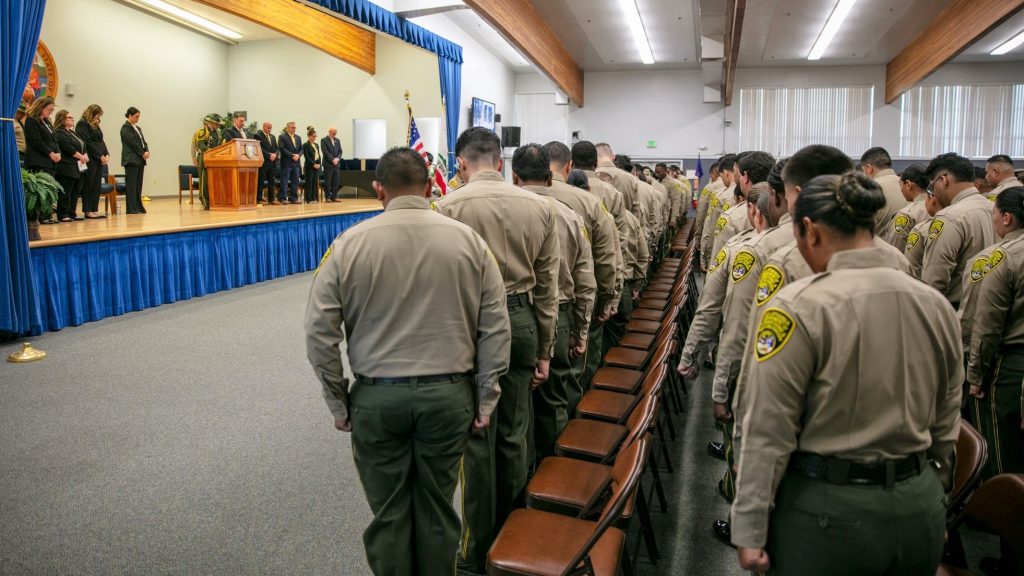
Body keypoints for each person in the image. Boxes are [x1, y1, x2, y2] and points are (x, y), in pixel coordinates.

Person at [732, 171, 962, 576]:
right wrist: (933, 497)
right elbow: (947, 418)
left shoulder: (798, 306)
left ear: (809, 230)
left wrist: (749, 526)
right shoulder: (935, 304)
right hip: (917, 503)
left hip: (829, 515)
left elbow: (768, 426)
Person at [305, 146, 511, 576]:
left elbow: (319, 333)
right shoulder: (470, 242)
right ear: (431, 185)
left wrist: (338, 401)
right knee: (437, 508)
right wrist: (487, 397)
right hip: (449, 397)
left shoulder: (347, 245)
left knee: (390, 514)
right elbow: (495, 327)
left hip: (376, 399)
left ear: (378, 189)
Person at [434, 127, 558, 575]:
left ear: (460, 163)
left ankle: (475, 553)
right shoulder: (540, 207)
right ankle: (513, 539)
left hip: (470, 326)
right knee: (514, 433)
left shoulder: (445, 208)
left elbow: (437, 285)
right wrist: (544, 347)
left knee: (476, 441)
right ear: (501, 163)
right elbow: (548, 286)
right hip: (522, 319)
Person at [512, 143, 596, 462]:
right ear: (550, 178)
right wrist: (581, 330)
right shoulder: (572, 217)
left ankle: (521, 478)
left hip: (512, 318)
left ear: (514, 177)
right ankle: (555, 474)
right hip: (559, 316)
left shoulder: (508, 212)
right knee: (554, 402)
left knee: (514, 413)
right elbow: (585, 280)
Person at [543, 142, 621, 402]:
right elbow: (605, 257)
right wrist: (607, 297)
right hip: (576, 299)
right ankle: (576, 417)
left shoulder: (516, 199)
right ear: (569, 166)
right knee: (574, 373)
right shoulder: (591, 203)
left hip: (526, 307)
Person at [965, 186, 1024, 477]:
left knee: (1000, 453)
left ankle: (1003, 503)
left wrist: (976, 375)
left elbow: (987, 325)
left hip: (1010, 366)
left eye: (994, 214)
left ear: (1007, 218)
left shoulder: (1000, 258)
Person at [921, 152, 997, 308]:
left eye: (932, 187)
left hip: (957, 310)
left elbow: (934, 279)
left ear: (943, 180)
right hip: (993, 308)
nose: (933, 194)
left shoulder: (948, 217)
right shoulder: (996, 209)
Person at [24, 97, 61, 224]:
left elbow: (54, 140)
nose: (51, 112)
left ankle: (47, 214)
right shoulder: (31, 120)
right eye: (49, 109)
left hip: (50, 160)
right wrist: (50, 153)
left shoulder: (47, 122)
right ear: (41, 107)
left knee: (49, 188)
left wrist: (58, 153)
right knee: (41, 189)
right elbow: (36, 141)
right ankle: (40, 217)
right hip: (38, 160)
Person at [859, 146, 908, 235]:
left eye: (863, 171)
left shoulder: (869, 189)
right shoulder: (908, 187)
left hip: (876, 242)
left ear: (869, 168)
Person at [881, 163, 929, 249]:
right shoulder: (942, 209)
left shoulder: (906, 215)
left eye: (900, 184)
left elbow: (896, 249)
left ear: (908, 184)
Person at [53, 109, 88, 222]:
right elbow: (67, 148)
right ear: (62, 119)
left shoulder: (72, 132)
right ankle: (63, 214)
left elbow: (82, 145)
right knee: (66, 191)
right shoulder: (59, 132)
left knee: (75, 192)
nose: (72, 119)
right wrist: (81, 156)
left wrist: (85, 154)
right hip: (66, 166)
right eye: (69, 117)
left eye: (72, 117)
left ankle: (72, 212)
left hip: (77, 166)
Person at [76, 104, 110, 219]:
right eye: (98, 115)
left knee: (96, 184)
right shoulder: (82, 123)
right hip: (90, 157)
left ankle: (94, 209)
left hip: (99, 158)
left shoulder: (95, 125)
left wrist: (106, 153)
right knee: (89, 184)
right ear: (92, 113)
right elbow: (87, 142)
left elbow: (101, 141)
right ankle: (87, 210)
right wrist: (100, 155)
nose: (99, 118)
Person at [120, 106, 149, 214]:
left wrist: (147, 150)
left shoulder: (138, 128)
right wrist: (142, 153)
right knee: (131, 185)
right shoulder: (125, 128)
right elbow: (132, 143)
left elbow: (143, 142)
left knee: (138, 185)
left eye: (139, 116)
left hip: (140, 159)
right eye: (136, 116)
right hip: (131, 159)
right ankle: (131, 208)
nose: (138, 119)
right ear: (130, 116)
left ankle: (138, 207)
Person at [191, 114, 222, 210]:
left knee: (213, 181)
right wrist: (210, 151)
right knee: (204, 182)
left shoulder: (217, 133)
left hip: (214, 158)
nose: (218, 125)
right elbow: (200, 145)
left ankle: (213, 201)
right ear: (210, 123)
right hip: (204, 158)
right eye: (216, 123)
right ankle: (206, 202)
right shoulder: (203, 132)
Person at [278, 122, 302, 204]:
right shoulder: (282, 137)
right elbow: (282, 148)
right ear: (288, 128)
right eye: (292, 127)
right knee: (284, 181)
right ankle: (283, 198)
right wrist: (292, 156)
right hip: (286, 163)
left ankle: (294, 198)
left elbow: (301, 149)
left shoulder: (298, 137)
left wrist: (298, 155)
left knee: (295, 181)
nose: (294, 129)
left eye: (295, 127)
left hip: (296, 163)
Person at [255, 122, 279, 204]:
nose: (270, 129)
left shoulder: (272, 136)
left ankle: (271, 199)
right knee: (261, 180)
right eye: (268, 128)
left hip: (272, 162)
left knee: (272, 181)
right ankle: (259, 199)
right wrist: (269, 155)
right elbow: (259, 148)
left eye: (270, 128)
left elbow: (277, 148)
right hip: (264, 162)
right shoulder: (258, 135)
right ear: (264, 127)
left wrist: (275, 154)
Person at [321, 127, 343, 202]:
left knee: (335, 182)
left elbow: (340, 151)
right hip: (328, 164)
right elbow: (325, 152)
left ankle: (334, 197)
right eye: (333, 133)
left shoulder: (337, 140)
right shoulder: (324, 140)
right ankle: (328, 197)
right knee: (328, 182)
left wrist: (338, 159)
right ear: (329, 132)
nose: (334, 134)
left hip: (336, 164)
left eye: (335, 133)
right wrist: (332, 159)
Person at [302, 126, 321, 203]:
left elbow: (318, 155)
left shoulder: (316, 145)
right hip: (309, 166)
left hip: (316, 166)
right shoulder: (306, 145)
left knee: (315, 182)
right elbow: (306, 156)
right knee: (309, 182)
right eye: (313, 136)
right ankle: (308, 198)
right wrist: (313, 164)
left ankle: (314, 198)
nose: (314, 138)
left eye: (315, 136)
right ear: (309, 136)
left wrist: (319, 164)